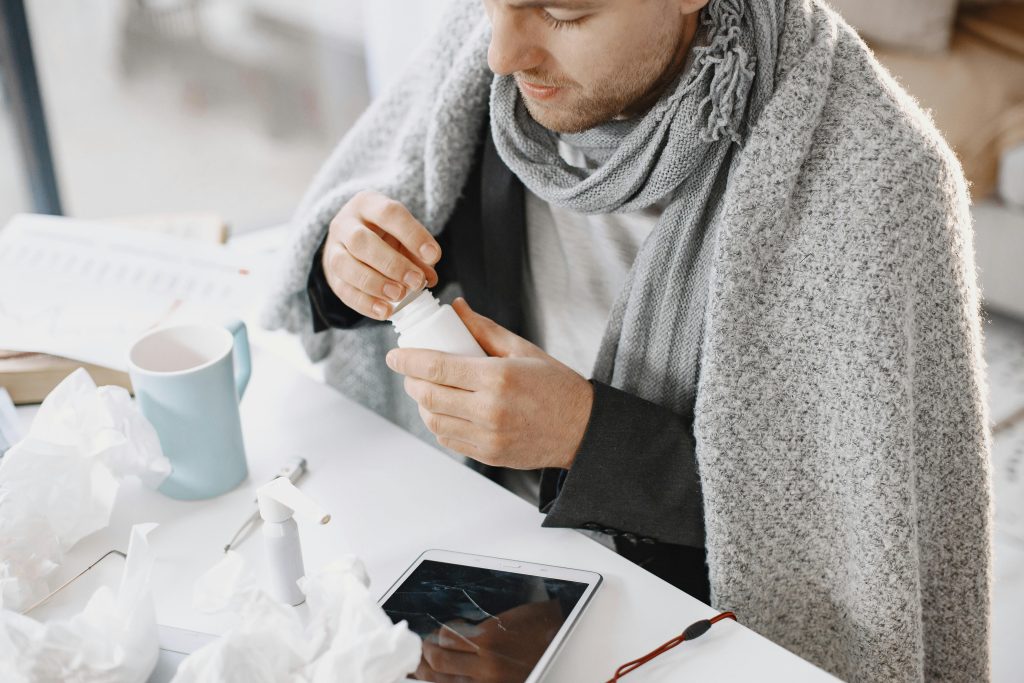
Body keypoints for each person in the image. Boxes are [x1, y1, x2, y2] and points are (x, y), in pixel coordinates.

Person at [264, 1, 993, 681]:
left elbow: (848, 535)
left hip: (701, 615)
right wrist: (347, 264)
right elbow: (374, 233)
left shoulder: (878, 182)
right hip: (480, 536)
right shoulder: (485, 62)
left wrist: (587, 436)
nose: (501, 53)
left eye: (563, 12)